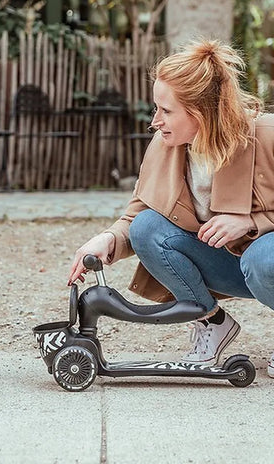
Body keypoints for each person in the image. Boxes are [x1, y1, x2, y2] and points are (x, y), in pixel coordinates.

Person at [69, 39, 274, 376]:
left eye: (166, 111)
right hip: (229, 264)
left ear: (201, 111)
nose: (155, 121)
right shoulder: (167, 145)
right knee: (146, 228)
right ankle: (211, 322)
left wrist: (252, 222)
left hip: (266, 261)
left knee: (261, 257)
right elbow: (139, 211)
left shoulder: (265, 134)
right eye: (156, 108)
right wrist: (107, 239)